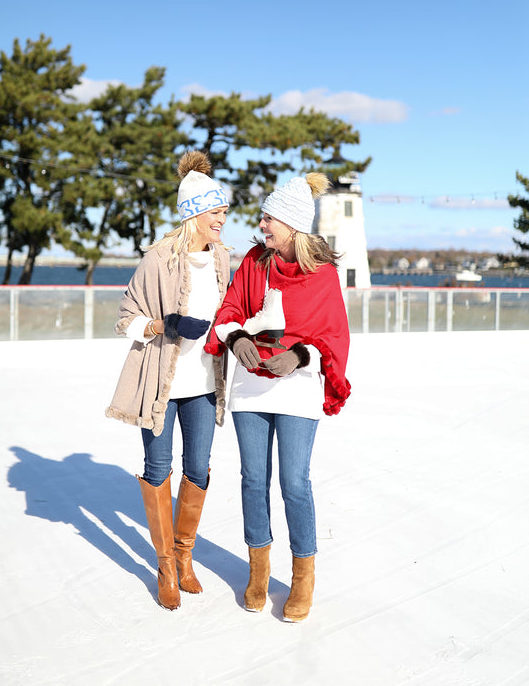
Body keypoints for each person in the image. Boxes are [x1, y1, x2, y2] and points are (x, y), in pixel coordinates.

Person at [205, 172, 351, 622]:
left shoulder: (322, 275)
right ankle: (259, 572)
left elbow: (333, 335)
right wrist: (234, 339)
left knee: (293, 482)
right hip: (252, 385)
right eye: (264, 217)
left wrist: (299, 357)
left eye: (269, 218)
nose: (262, 224)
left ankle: (303, 576)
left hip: (298, 391)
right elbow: (229, 310)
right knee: (253, 479)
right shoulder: (254, 262)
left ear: (291, 224)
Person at [105, 151, 230, 611]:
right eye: (216, 213)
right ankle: (164, 565)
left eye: (224, 213)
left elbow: (228, 312)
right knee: (159, 469)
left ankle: (184, 555)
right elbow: (126, 318)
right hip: (161, 385)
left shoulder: (222, 259)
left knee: (198, 469)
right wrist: (164, 324)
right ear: (194, 214)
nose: (222, 220)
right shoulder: (158, 259)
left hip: (202, 385)